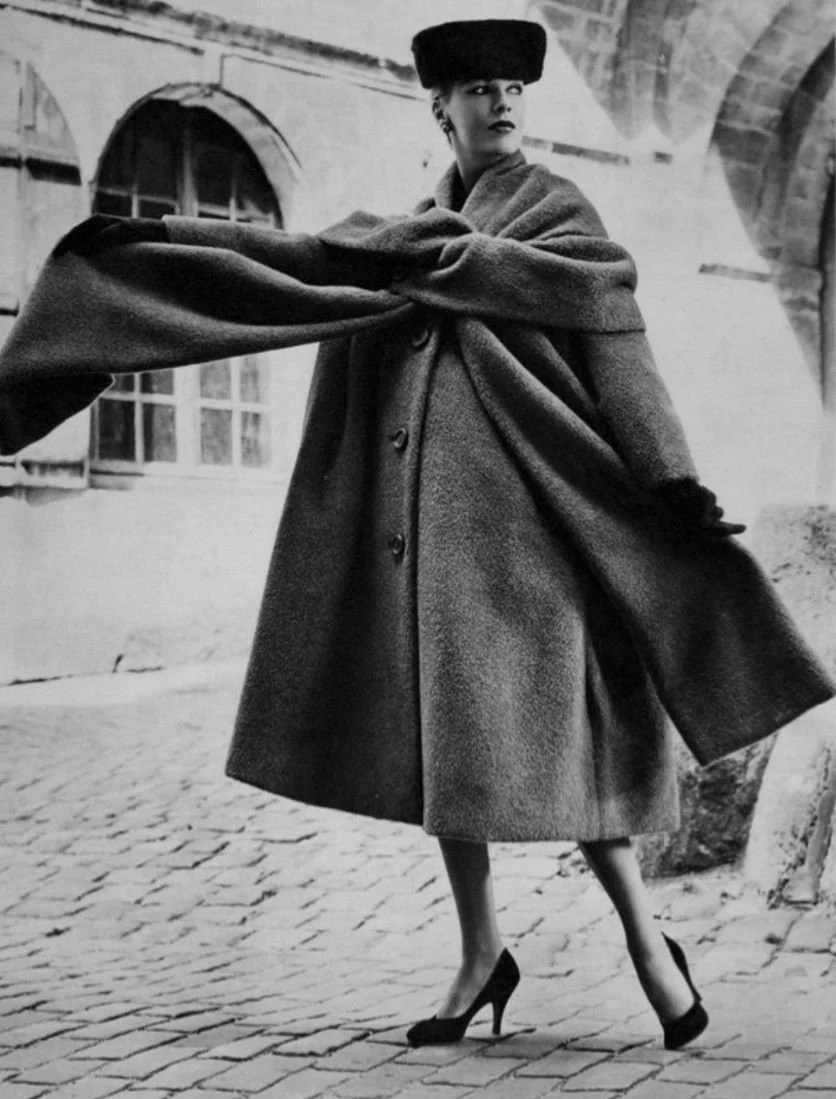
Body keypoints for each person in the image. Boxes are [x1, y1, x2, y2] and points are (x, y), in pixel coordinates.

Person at [0, 16, 833, 1056]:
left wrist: (669, 480)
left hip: (539, 541)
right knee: (452, 760)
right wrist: (155, 256)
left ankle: (648, 949)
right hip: (434, 553)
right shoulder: (400, 240)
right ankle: (480, 951)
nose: (499, 102)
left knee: (574, 758)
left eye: (509, 88)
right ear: (437, 106)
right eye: (476, 89)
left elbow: (619, 350)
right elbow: (294, 271)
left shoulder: (554, 213)